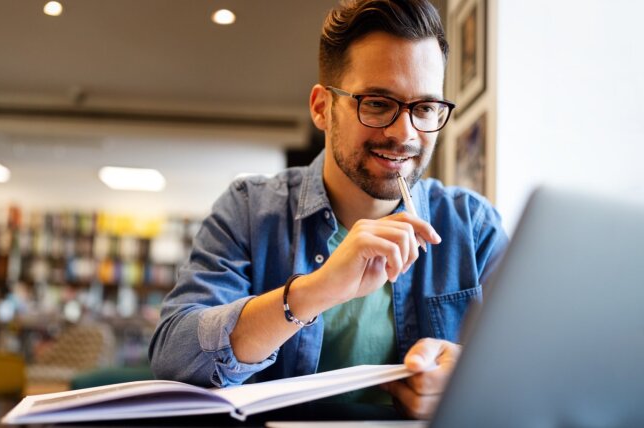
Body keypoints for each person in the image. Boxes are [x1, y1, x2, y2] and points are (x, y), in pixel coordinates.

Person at [149, 0, 509, 419]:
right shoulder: (249, 208)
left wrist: (466, 378)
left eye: (425, 108)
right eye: (376, 103)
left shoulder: (473, 227)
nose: (404, 133)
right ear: (322, 107)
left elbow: (535, 369)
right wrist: (315, 291)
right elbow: (174, 355)